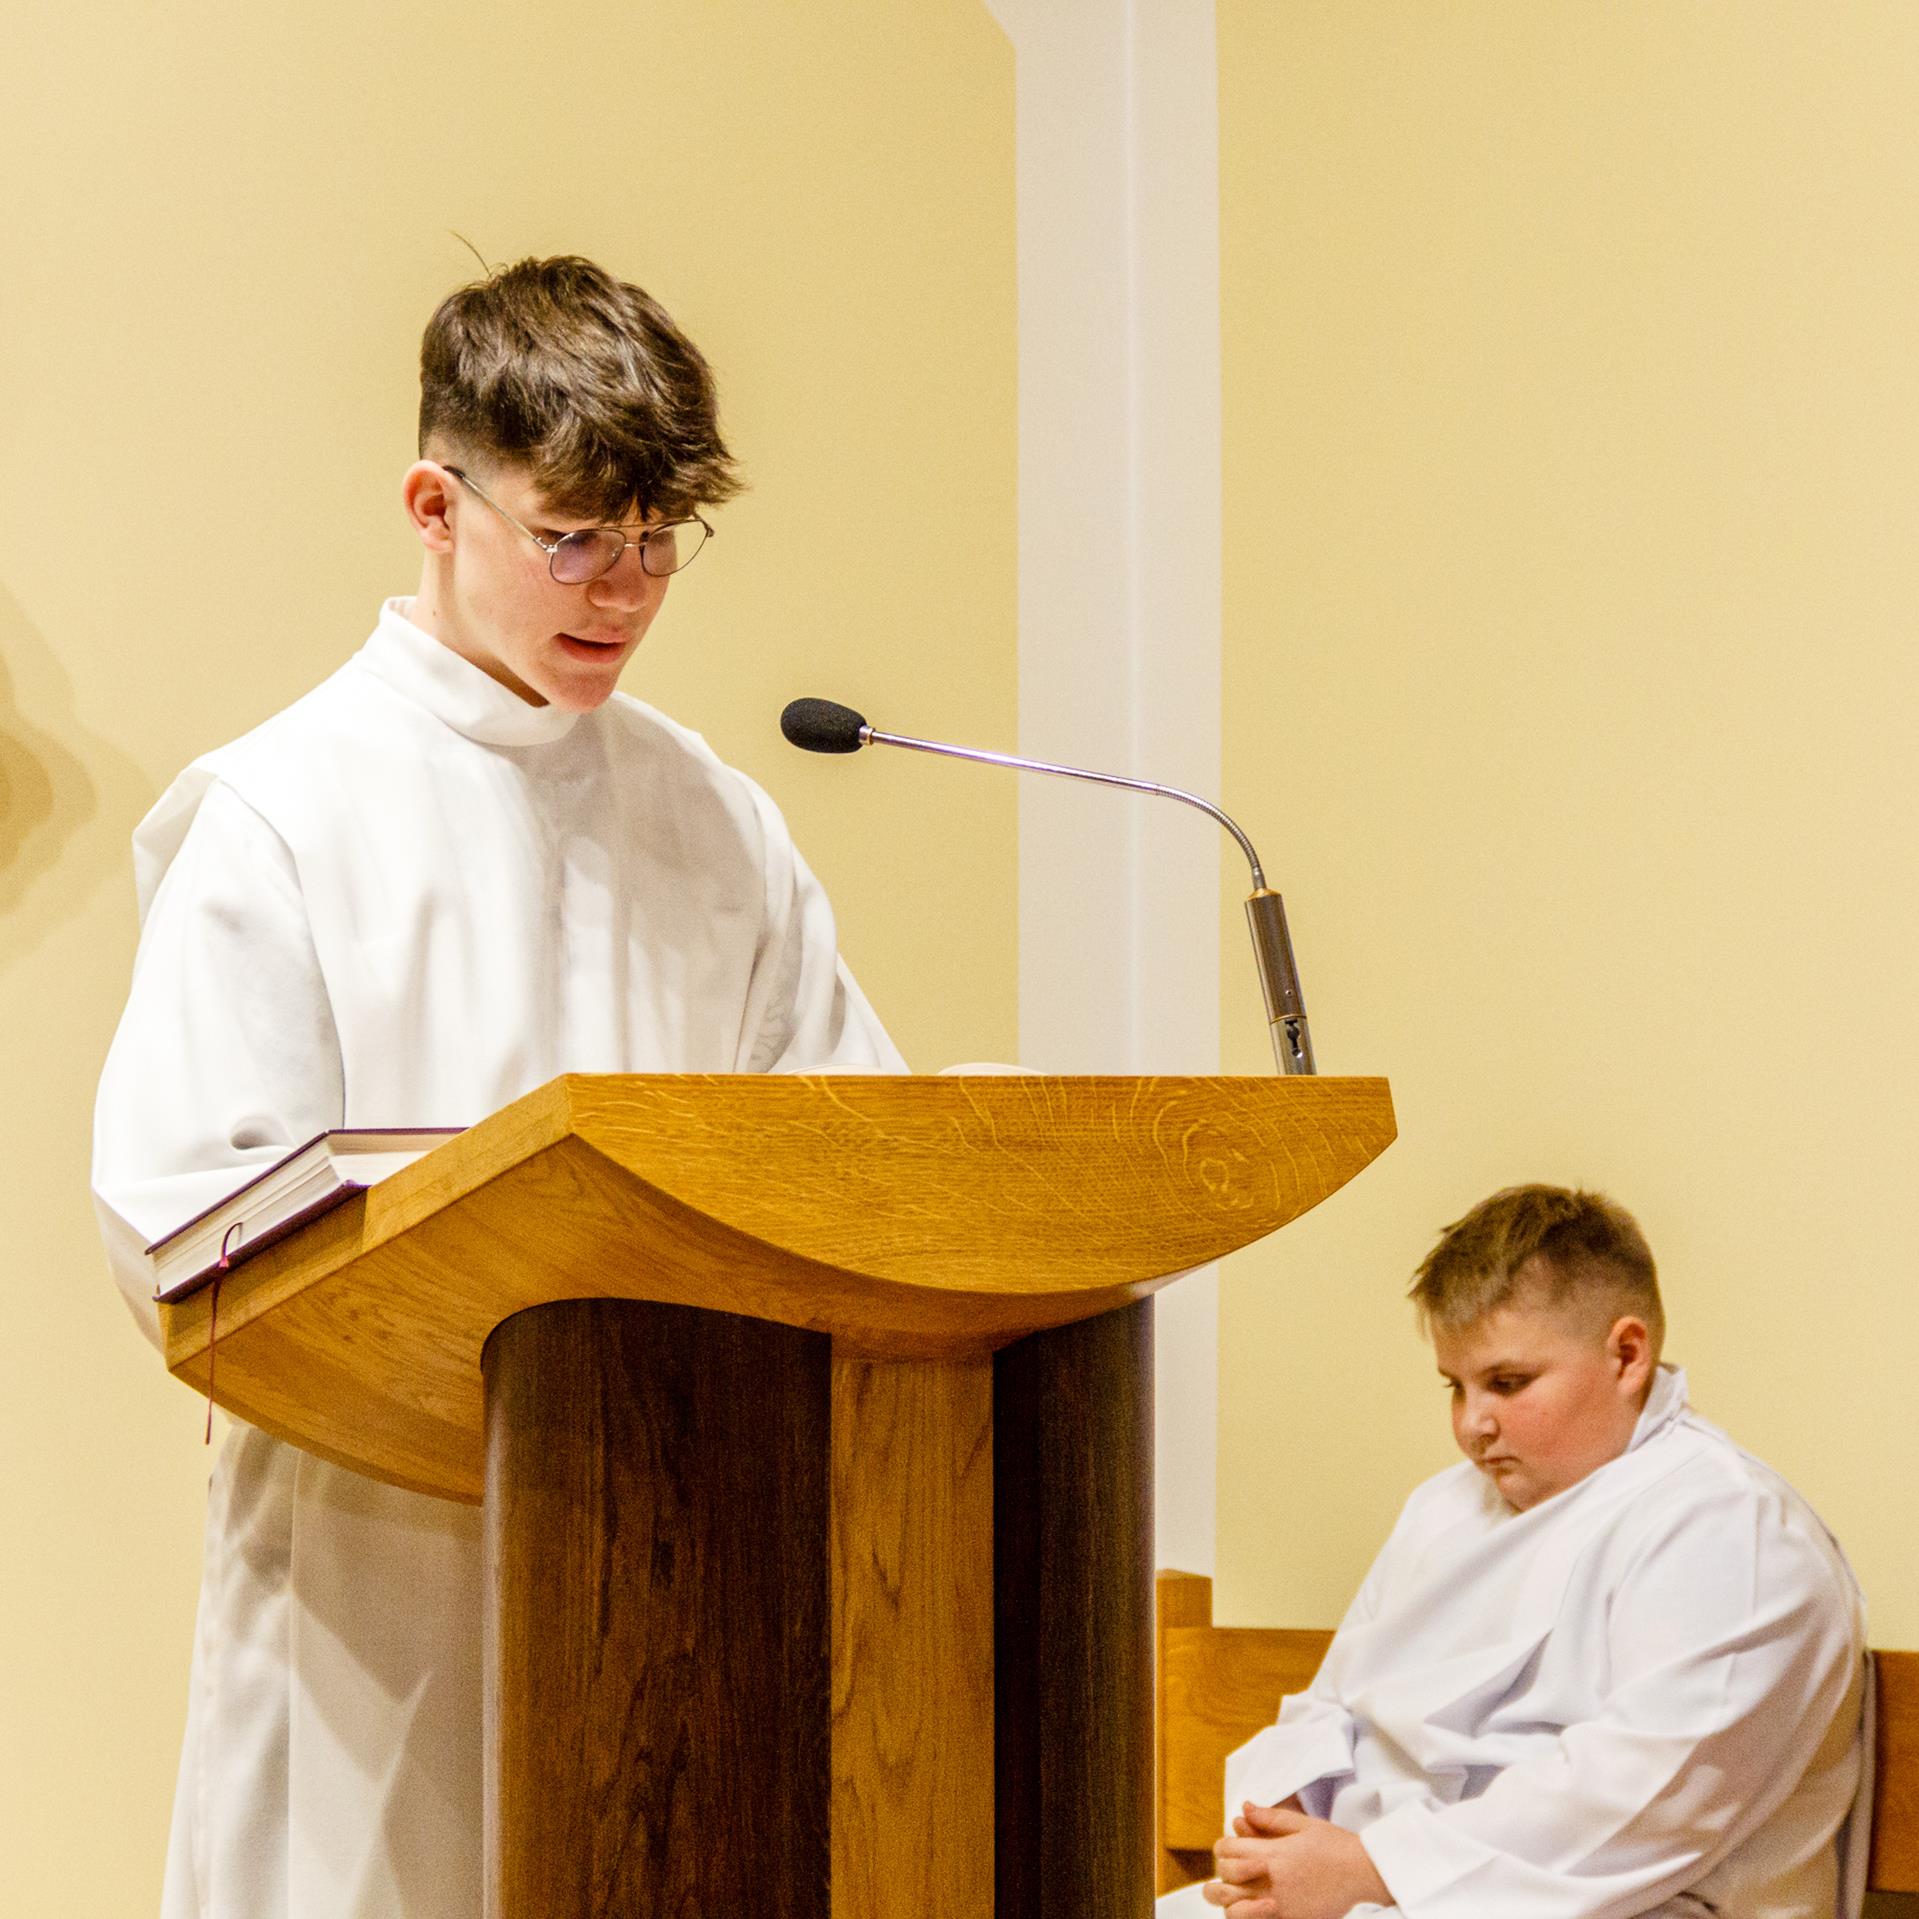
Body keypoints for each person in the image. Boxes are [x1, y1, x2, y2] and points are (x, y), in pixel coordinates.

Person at [91, 255, 904, 1919]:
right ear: (432, 504)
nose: (624, 588)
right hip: (375, 1570)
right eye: (574, 535)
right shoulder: (279, 811)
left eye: (658, 539)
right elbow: (187, 1220)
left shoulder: (714, 819)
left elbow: (843, 1148)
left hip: (681, 1547)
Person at [1174, 1184, 1867, 1919]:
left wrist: (1372, 1867)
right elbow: (1337, 1700)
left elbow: (1642, 1801)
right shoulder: (1442, 1508)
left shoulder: (1732, 1530)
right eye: (1456, 1386)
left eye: (1507, 1383)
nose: (1472, 1425)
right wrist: (1281, 1818)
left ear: (1627, 1355)